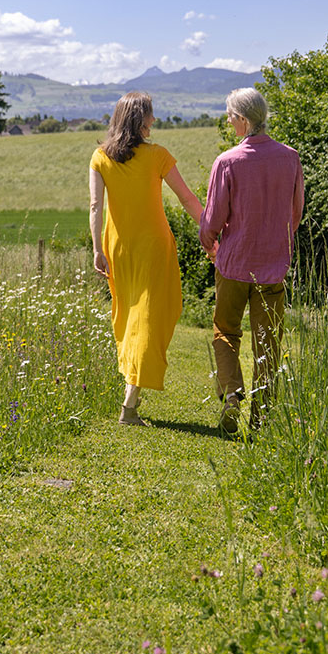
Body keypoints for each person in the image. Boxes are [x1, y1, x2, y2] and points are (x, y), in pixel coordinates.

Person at [89, 91, 205, 426]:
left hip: (117, 247)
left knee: (129, 315)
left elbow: (96, 207)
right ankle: (130, 403)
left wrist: (98, 248)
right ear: (141, 120)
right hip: (153, 247)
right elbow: (186, 198)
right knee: (150, 316)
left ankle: (132, 389)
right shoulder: (158, 156)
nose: (154, 120)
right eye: (151, 115)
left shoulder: (100, 157)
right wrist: (211, 230)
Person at [199, 87, 304, 433]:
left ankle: (231, 394)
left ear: (243, 120)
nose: (228, 121)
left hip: (233, 263)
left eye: (230, 116)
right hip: (274, 264)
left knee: (226, 330)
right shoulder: (290, 158)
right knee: (267, 340)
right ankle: (261, 417)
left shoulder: (227, 162)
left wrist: (210, 242)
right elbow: (296, 212)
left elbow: (213, 218)